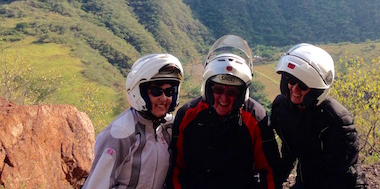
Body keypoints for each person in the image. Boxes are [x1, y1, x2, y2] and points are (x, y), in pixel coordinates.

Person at [169, 35, 281, 189]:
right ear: (208, 89)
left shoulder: (255, 117)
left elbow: (269, 171)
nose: (224, 98)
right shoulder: (188, 114)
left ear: (242, 94)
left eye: (232, 92)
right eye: (218, 90)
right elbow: (175, 168)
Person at [271, 43, 367, 189]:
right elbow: (289, 150)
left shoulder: (337, 121)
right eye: (291, 81)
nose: (295, 89)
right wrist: (274, 182)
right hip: (305, 181)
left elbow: (342, 172)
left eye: (303, 86)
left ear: (316, 89)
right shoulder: (282, 109)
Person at [82, 53, 184, 189]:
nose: (164, 98)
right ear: (139, 92)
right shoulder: (122, 133)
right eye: (156, 91)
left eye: (170, 91)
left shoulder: (168, 127)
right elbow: (96, 185)